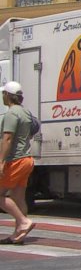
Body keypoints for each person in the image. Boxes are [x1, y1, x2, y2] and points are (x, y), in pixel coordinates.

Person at [0, 81, 37, 244]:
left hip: (15, 160)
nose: (2, 96)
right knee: (18, 198)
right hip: (27, 160)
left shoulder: (11, 113)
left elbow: (7, 138)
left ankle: (23, 222)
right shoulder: (25, 112)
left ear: (8, 95)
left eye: (3, 93)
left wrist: (1, 161)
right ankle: (18, 235)